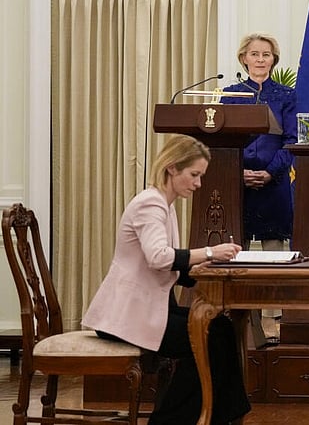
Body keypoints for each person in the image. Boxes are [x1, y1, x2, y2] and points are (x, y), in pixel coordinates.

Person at [83, 134, 250, 424]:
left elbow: (169, 263)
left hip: (147, 309)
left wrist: (208, 263)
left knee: (220, 328)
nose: (198, 183)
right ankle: (175, 420)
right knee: (209, 336)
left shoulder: (163, 204)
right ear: (172, 168)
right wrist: (209, 251)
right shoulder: (151, 204)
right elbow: (159, 257)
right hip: (127, 316)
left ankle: (220, 415)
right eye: (194, 175)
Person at [222, 32, 298, 250]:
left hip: (274, 183)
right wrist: (239, 173)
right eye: (254, 54)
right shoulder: (230, 95)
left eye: (266, 54)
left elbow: (292, 140)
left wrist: (270, 173)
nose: (260, 59)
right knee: (234, 251)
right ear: (243, 58)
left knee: (274, 255)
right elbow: (224, 141)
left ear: (273, 60)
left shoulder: (287, 95)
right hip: (239, 185)